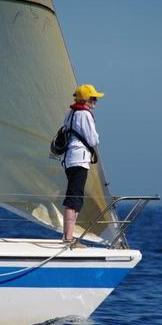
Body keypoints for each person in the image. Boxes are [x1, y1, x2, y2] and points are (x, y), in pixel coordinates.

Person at [62, 84, 104, 243]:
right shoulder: (85, 115)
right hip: (79, 159)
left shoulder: (70, 112)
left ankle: (67, 235)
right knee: (75, 198)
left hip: (69, 159)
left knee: (74, 196)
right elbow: (93, 140)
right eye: (93, 98)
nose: (95, 102)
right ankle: (68, 237)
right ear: (86, 99)